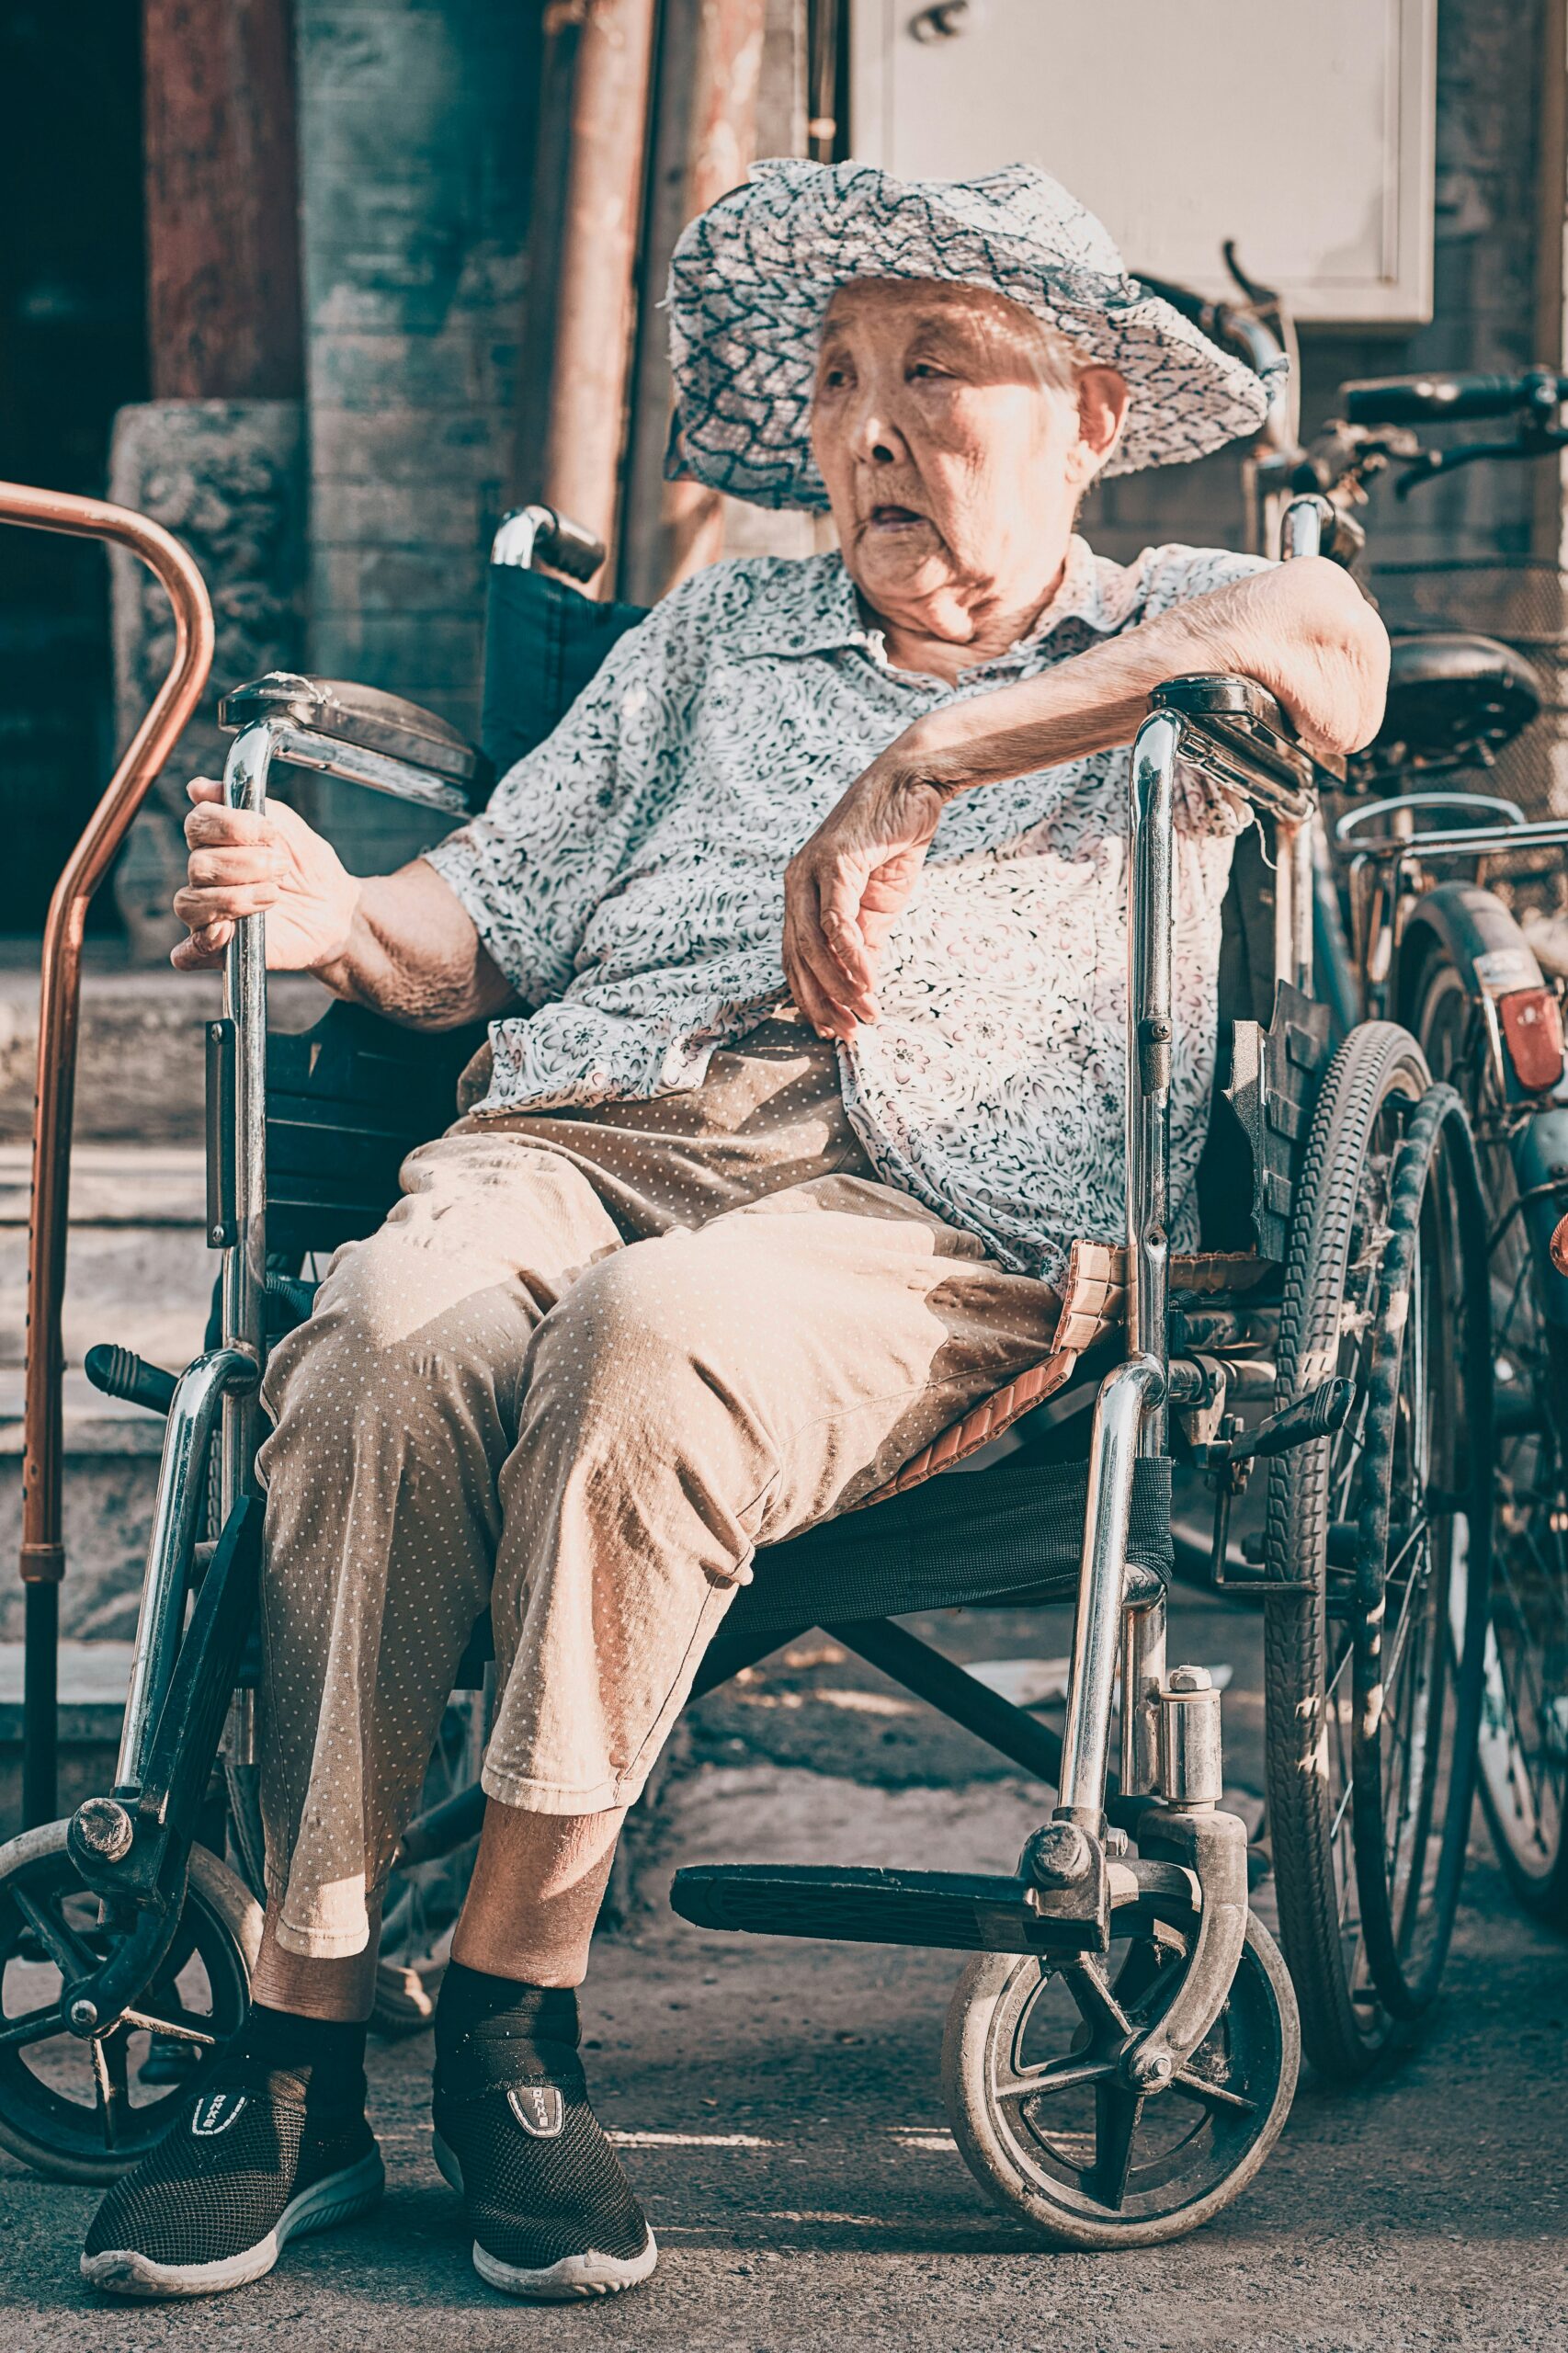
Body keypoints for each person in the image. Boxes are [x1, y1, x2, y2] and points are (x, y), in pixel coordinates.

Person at [82, 160, 1387, 2303]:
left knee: (652, 1337)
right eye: (840, 379)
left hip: (931, 1205)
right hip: (581, 1131)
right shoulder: (713, 633)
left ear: (1081, 410)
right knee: (386, 1329)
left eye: (933, 372)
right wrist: (339, 912)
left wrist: (943, 749)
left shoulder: (1158, 633)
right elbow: (476, 919)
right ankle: (300, 2037)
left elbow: (1331, 640)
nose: (867, 428)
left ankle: (514, 2005)